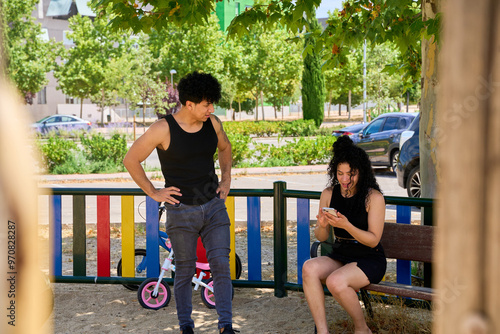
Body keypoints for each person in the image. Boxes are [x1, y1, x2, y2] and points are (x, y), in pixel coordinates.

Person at [123, 71, 237, 334]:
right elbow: (131, 159)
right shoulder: (162, 128)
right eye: (207, 104)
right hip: (181, 211)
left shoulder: (214, 123)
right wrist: (153, 192)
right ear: (189, 104)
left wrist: (227, 178)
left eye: (213, 103)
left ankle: (226, 327)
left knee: (220, 264)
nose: (212, 108)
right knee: (184, 271)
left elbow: (226, 148)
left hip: (213, 205)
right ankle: (186, 326)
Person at [302, 136, 387, 334]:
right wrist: (322, 225)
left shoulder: (373, 197)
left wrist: (346, 225)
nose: (345, 179)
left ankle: (362, 329)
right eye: (340, 173)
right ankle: (323, 332)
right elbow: (322, 237)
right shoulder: (329, 194)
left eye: (351, 174)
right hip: (342, 254)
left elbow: (373, 239)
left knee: (335, 281)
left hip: (369, 257)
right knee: (309, 268)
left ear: (361, 172)